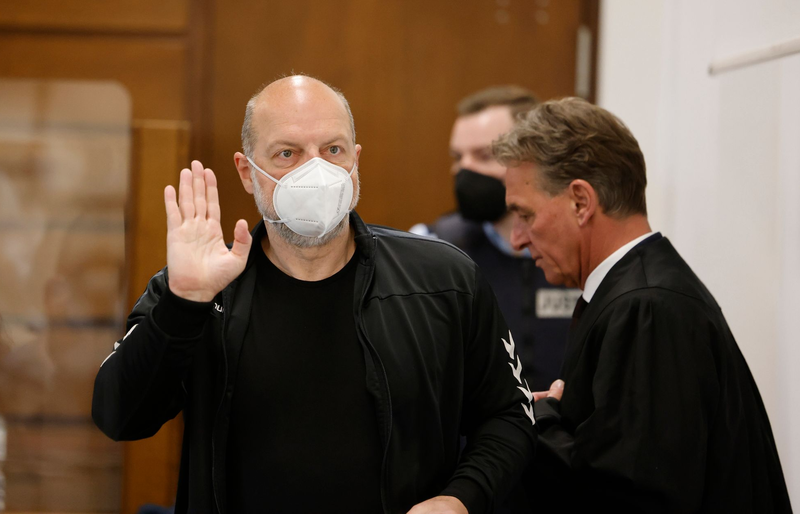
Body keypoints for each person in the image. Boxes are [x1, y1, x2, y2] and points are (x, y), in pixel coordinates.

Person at [92, 75, 536, 514]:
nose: (315, 170)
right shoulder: (204, 287)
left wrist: (460, 499)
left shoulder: (443, 280)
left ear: (355, 160)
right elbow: (119, 416)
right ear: (248, 173)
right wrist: (183, 304)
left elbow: (508, 415)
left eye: (333, 150)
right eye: (288, 153)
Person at [494, 97, 792, 512]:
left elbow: (633, 496)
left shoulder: (647, 308)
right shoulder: (639, 293)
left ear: (581, 201)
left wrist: (540, 420)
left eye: (524, 215)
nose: (518, 239)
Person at [411, 86, 579, 392]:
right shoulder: (430, 249)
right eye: (457, 156)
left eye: (484, 155)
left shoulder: (583, 252)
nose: (465, 169)